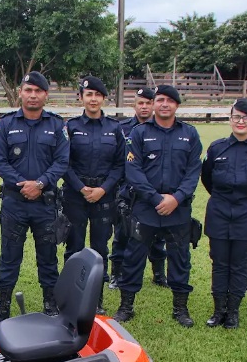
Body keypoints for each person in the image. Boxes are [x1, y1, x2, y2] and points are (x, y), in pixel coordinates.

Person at [114, 85, 202, 327]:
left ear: (177, 105)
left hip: (178, 209)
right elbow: (133, 170)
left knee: (180, 258)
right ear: (153, 104)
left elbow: (193, 171)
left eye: (170, 101)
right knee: (133, 257)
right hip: (145, 207)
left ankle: (180, 309)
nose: (164, 104)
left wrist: (176, 198)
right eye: (160, 99)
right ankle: (126, 306)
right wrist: (155, 198)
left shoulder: (189, 134)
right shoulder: (139, 133)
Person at [0, 71, 69, 324]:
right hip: (15, 202)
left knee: (48, 256)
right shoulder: (5, 124)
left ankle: (50, 304)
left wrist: (40, 183)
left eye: (38, 91)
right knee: (9, 256)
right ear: (20, 93)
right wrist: (23, 184)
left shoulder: (57, 125)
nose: (32, 95)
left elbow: (62, 161)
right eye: (28, 90)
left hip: (45, 203)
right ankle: (3, 307)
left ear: (45, 95)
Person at [200, 99, 247, 329]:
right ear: (230, 119)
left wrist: (246, 200)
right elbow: (207, 178)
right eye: (236, 117)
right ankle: (218, 310)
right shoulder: (217, 148)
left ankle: (233, 312)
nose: (240, 121)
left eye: (245, 117)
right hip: (220, 211)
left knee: (240, 265)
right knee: (220, 263)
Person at [63, 76, 125, 314]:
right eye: (88, 94)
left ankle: (96, 301)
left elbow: (120, 165)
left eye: (98, 95)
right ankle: (71, 299)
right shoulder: (70, 127)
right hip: (75, 196)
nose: (93, 99)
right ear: (81, 97)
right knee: (74, 250)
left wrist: (103, 189)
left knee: (100, 251)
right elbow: (63, 162)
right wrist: (81, 188)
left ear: (104, 98)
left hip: (104, 196)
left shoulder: (114, 128)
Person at [113, 87, 168, 290]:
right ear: (134, 105)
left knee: (158, 234)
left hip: (154, 190)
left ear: (153, 105)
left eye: (148, 103)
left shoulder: (163, 128)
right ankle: (116, 273)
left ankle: (158, 273)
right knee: (122, 232)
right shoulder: (122, 129)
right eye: (140, 103)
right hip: (128, 190)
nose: (144, 107)